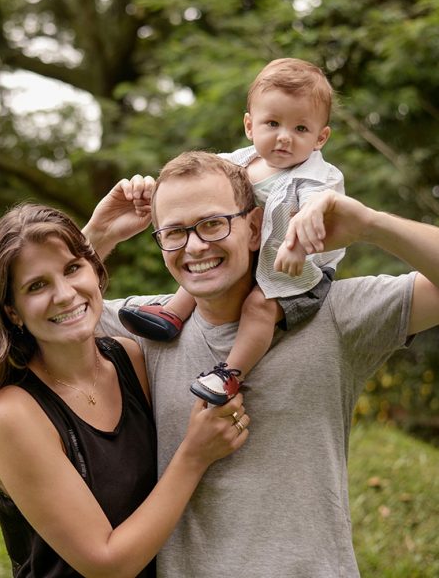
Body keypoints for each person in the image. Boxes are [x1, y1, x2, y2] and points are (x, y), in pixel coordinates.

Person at [83, 150, 439, 577]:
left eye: (213, 224)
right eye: (174, 232)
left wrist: (370, 225)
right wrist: (97, 236)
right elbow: (14, 326)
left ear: (254, 228)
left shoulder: (334, 315)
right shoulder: (151, 327)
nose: (195, 246)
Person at [0, 203, 250, 578]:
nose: (64, 294)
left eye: (73, 269)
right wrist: (194, 455)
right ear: (12, 311)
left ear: (94, 271)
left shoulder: (131, 358)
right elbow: (107, 563)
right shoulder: (15, 414)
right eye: (36, 286)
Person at [119, 58, 345, 405]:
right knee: (206, 257)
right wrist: (159, 192)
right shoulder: (241, 162)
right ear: (250, 125)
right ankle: (173, 313)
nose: (284, 137)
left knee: (259, 307)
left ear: (321, 137)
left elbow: (318, 209)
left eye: (301, 129)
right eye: (273, 123)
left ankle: (229, 373)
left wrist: (302, 236)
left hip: (298, 272)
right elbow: (197, 181)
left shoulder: (317, 179)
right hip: (256, 256)